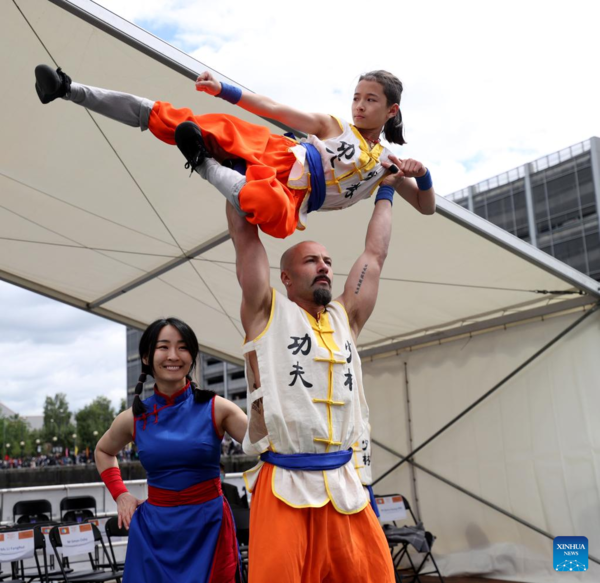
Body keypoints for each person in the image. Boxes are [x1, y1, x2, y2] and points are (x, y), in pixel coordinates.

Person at [227, 150, 414, 580]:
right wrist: (237, 168)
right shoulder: (264, 311)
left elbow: (374, 255)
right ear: (287, 277)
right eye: (312, 261)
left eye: (328, 260)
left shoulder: (345, 318)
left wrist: (386, 189)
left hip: (345, 485)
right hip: (284, 484)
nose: (325, 267)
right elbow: (244, 235)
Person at [33, 65, 436, 238]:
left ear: (391, 110)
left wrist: (423, 175)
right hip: (280, 153)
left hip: (296, 196)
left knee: (271, 212)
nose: (360, 106)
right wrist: (222, 89)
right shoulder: (334, 125)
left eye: (370, 100)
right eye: (356, 97)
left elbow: (426, 208)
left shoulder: (387, 166)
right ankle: (68, 89)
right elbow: (275, 109)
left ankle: (203, 162)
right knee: (174, 118)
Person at [95, 317, 247, 583]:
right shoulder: (133, 418)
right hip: (154, 533)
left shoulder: (218, 407)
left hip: (209, 529)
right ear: (146, 357)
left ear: (192, 356)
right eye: (163, 347)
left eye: (183, 347)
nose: (173, 356)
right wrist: (121, 495)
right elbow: (103, 451)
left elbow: (264, 442)